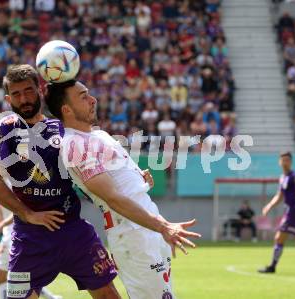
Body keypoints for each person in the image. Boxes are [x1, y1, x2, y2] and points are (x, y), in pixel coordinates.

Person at [45, 80, 201, 299]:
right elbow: (113, 198)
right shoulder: (74, 145)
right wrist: (164, 227)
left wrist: (140, 178)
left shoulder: (98, 135)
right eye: (83, 96)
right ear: (66, 110)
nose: (93, 100)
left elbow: (121, 184)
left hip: (147, 225)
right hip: (132, 233)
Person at [0, 64, 120, 299]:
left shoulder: (62, 129)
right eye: (16, 94)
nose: (23, 99)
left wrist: (133, 176)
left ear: (40, 90)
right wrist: (28, 214)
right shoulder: (6, 128)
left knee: (109, 295)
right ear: (8, 99)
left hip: (73, 231)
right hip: (30, 239)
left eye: (28, 91)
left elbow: (92, 166)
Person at [0, 204, 62, 299]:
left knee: (23, 278)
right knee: (0, 275)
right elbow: (0, 211)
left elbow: (19, 210)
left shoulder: (17, 189)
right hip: (6, 238)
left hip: (19, 236)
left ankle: (50, 297)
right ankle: (51, 297)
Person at [258, 152, 295, 273]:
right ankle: (272, 266)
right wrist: (269, 206)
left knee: (279, 238)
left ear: (290, 162)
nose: (285, 163)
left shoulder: (294, 177)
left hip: (294, 213)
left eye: (287, 160)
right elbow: (280, 196)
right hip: (291, 213)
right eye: (283, 160)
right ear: (279, 162)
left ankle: (272, 266)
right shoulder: (282, 177)